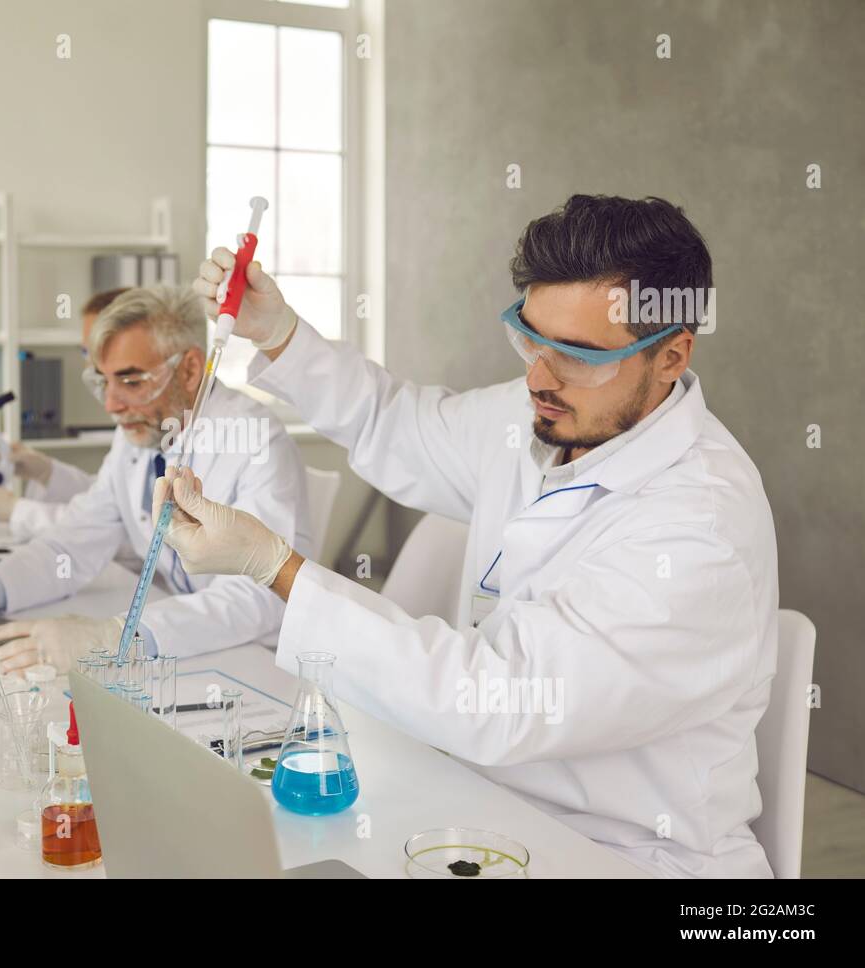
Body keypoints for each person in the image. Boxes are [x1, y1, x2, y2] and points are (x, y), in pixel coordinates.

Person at [166, 194, 777, 878]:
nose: (538, 376)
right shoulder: (543, 417)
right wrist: (275, 330)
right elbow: (393, 424)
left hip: (627, 855)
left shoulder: (701, 529)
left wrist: (273, 565)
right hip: (485, 809)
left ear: (671, 355)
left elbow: (500, 699)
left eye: (576, 354)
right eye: (531, 337)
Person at [0, 284, 313, 671]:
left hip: (257, 659)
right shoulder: (137, 434)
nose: (112, 404)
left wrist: (120, 636)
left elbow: (257, 595)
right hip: (178, 648)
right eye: (103, 381)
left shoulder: (256, 440)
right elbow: (75, 540)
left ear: (190, 370)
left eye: (131, 381)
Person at [0, 287, 129, 539]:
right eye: (84, 351)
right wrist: (46, 471)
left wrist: (16, 511)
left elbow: (115, 529)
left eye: (94, 350)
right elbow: (105, 497)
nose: (89, 366)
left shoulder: (157, 424)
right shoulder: (127, 422)